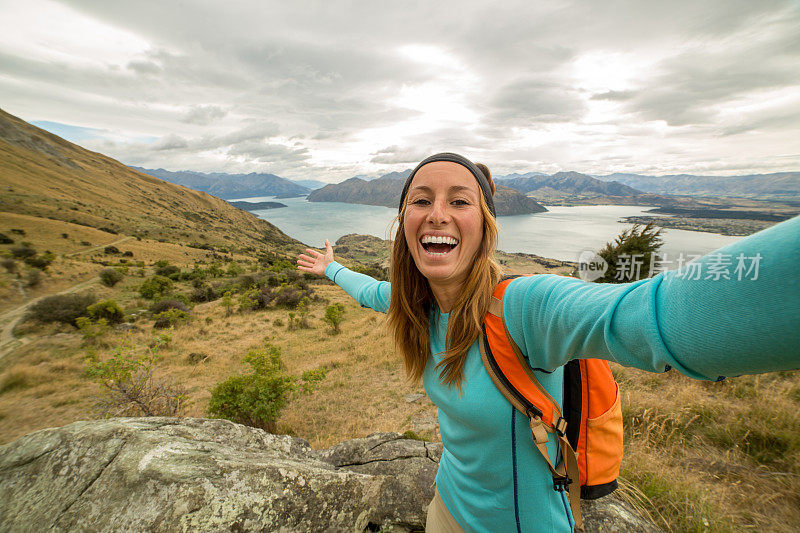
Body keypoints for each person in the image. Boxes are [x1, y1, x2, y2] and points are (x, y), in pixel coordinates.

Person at [297, 152, 800, 533]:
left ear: (485, 225)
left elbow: (647, 316)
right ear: (404, 222)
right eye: (421, 200)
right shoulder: (415, 305)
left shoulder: (524, 308)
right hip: (446, 508)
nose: (437, 214)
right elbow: (371, 291)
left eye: (459, 201)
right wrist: (331, 267)